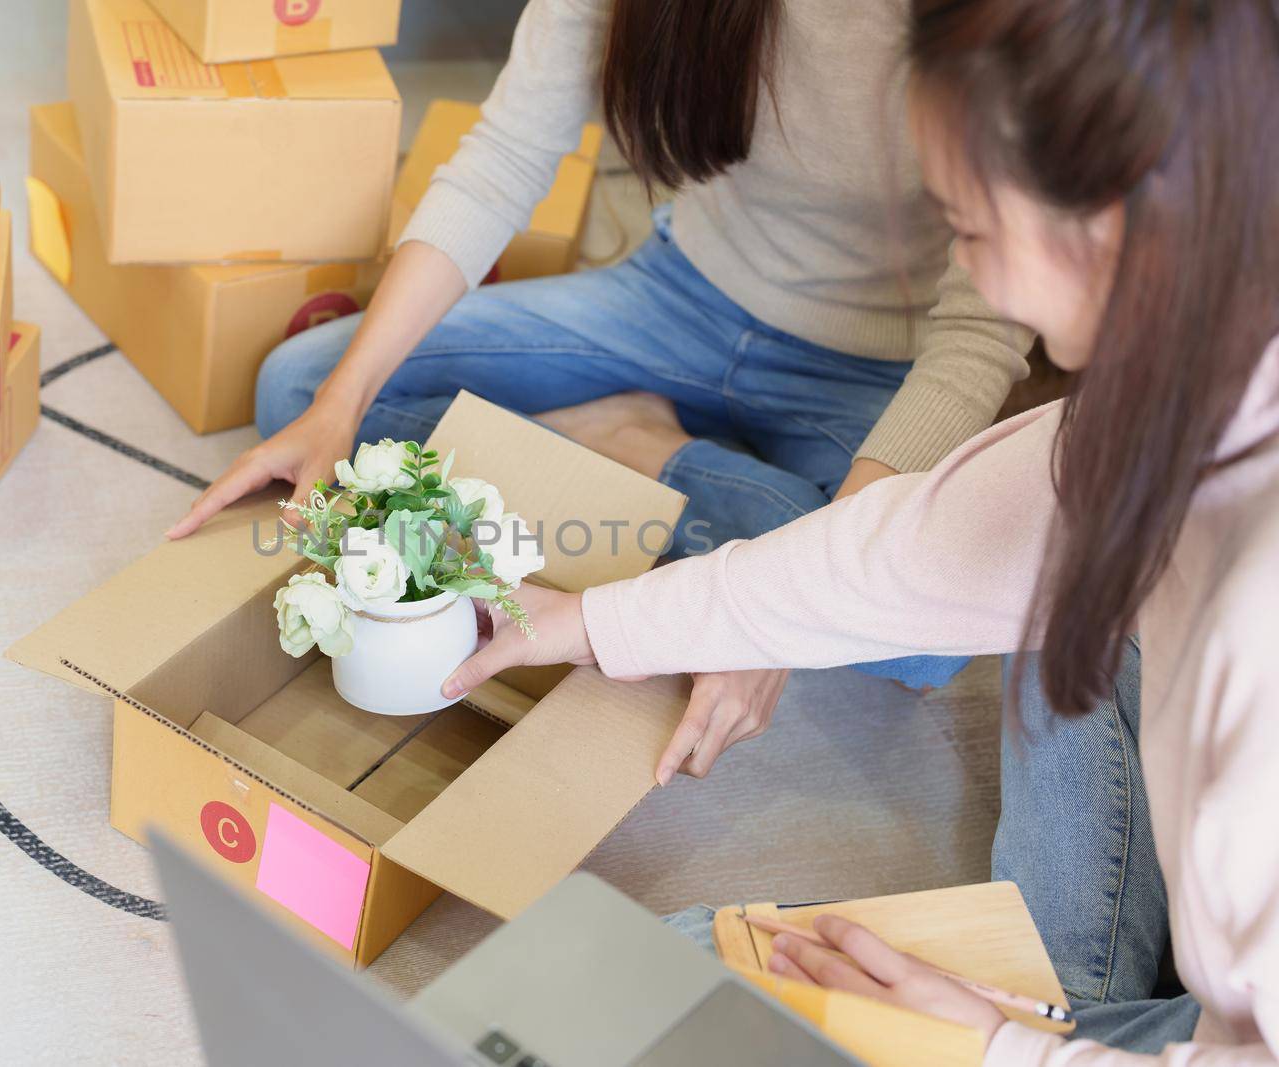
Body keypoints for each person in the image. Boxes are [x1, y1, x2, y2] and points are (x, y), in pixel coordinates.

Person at [439, 0, 1279, 1060]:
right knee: (631, 982)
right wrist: (588, 623)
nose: (968, 268)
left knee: (658, 987)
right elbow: (910, 548)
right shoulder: (1174, 390)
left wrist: (997, 1043)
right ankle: (1067, 988)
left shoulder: (1260, 616)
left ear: (1102, 221)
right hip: (1215, 998)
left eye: (967, 228)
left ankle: (1063, 1004)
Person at [167, 0, 1033, 710]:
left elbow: (980, 335)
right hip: (676, 295)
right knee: (303, 388)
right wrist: (343, 403)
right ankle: (723, 498)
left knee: (924, 637)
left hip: (882, 370)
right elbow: (504, 156)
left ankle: (639, 448)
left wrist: (774, 613)